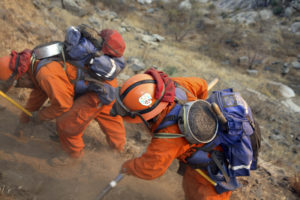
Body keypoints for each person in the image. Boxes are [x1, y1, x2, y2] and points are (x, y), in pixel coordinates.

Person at [110, 68, 259, 200]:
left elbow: (150, 168)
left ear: (146, 114)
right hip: (199, 158)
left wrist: (128, 167)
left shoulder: (168, 136)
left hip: (210, 169)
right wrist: (198, 111)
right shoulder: (176, 86)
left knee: (201, 194)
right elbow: (201, 84)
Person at [0, 26, 127, 166]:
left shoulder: (45, 74)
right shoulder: (34, 59)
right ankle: (119, 148)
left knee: (67, 123)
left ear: (20, 75)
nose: (21, 86)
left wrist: (40, 116)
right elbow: (38, 95)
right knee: (106, 112)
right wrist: (24, 121)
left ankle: (73, 156)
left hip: (98, 90)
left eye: (17, 83)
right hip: (102, 83)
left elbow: (63, 105)